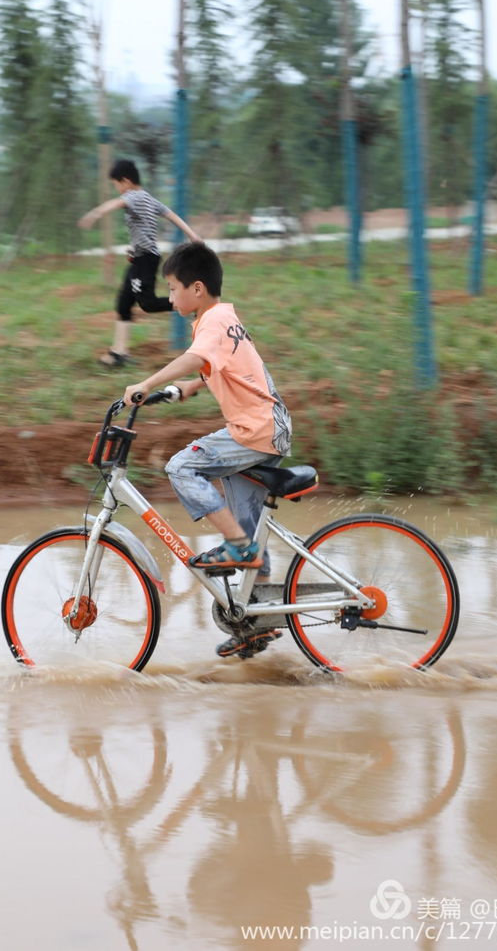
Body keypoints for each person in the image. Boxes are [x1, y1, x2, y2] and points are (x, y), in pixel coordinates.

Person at [123, 241, 292, 658]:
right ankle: (257, 620)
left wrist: (144, 385)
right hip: (270, 427)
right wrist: (192, 387)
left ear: (197, 289)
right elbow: (231, 364)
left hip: (254, 431)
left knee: (181, 466)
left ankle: (235, 546)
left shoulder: (211, 322)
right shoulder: (223, 317)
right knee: (249, 525)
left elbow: (197, 355)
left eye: (174, 288)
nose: (169, 297)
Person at [78, 159, 201, 368]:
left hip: (145, 260)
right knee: (123, 303)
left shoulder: (132, 196)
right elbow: (172, 216)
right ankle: (119, 353)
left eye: (116, 185)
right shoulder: (149, 199)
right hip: (140, 258)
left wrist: (95, 213)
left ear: (125, 181)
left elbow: (117, 203)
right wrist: (193, 236)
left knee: (148, 303)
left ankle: (193, 304)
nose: (117, 190)